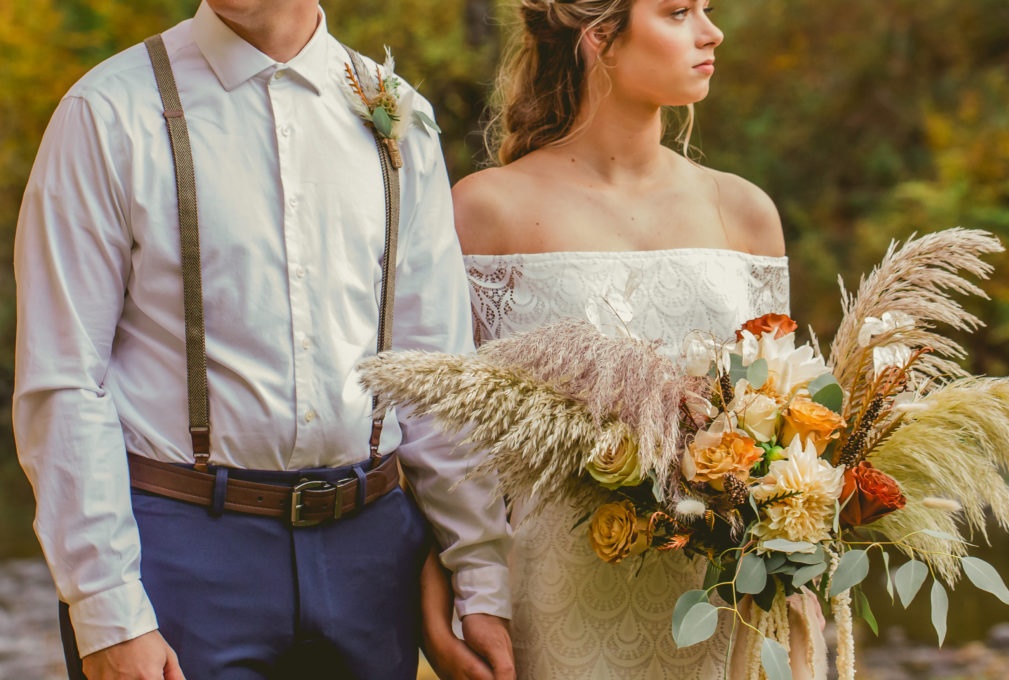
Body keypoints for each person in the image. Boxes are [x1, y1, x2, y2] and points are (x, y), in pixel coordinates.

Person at [13, 2, 514, 679]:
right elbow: (65, 380)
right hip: (180, 550)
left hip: (372, 555)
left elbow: (436, 376)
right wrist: (106, 607)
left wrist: (480, 574)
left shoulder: (398, 114)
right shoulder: (107, 113)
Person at [423, 0, 828, 678]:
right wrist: (451, 591)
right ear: (599, 37)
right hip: (554, 605)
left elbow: (784, 425)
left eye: (706, 9)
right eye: (678, 12)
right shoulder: (486, 209)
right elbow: (449, 441)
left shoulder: (745, 212)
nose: (711, 30)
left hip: (723, 606)